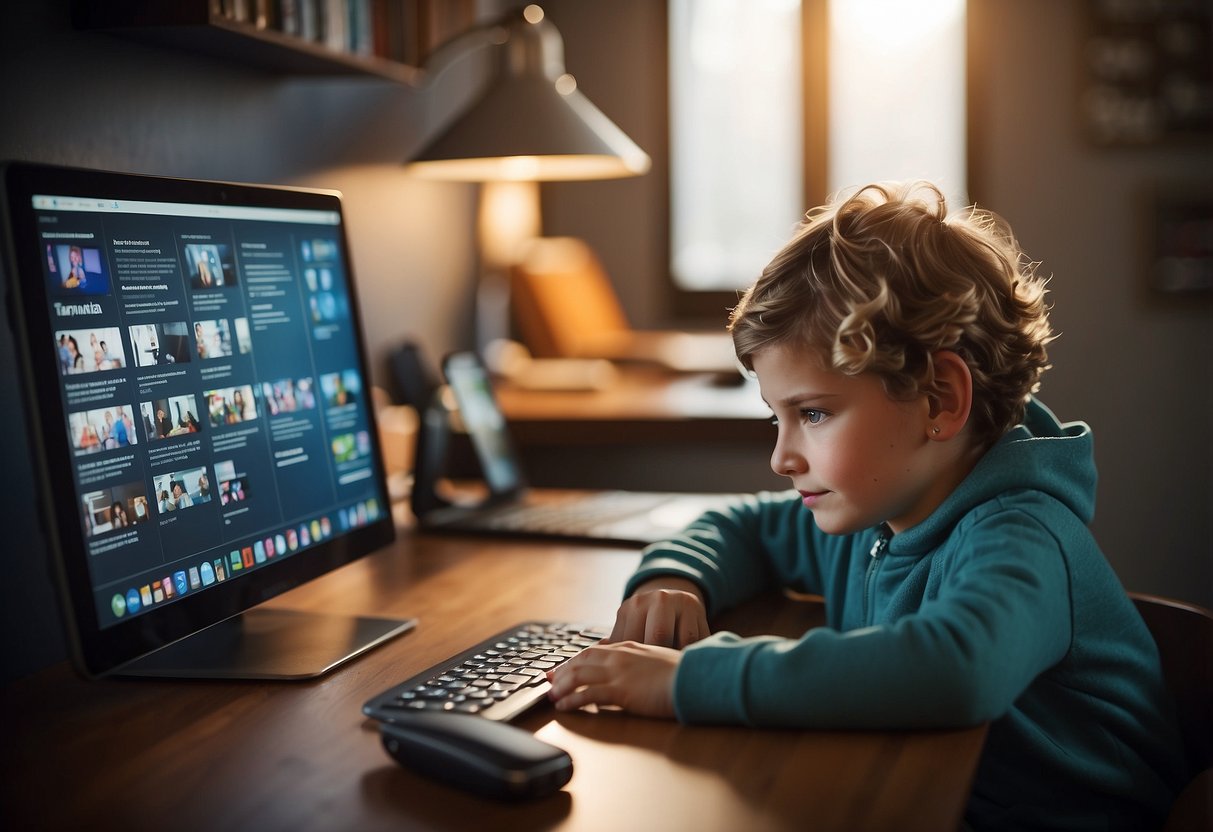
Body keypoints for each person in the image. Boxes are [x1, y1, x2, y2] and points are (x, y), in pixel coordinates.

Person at [546, 182, 1187, 830]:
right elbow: (740, 527)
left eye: (813, 413)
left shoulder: (1021, 534)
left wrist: (686, 681)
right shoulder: (874, 511)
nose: (781, 457)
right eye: (778, 417)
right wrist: (672, 578)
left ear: (938, 399)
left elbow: (951, 671)